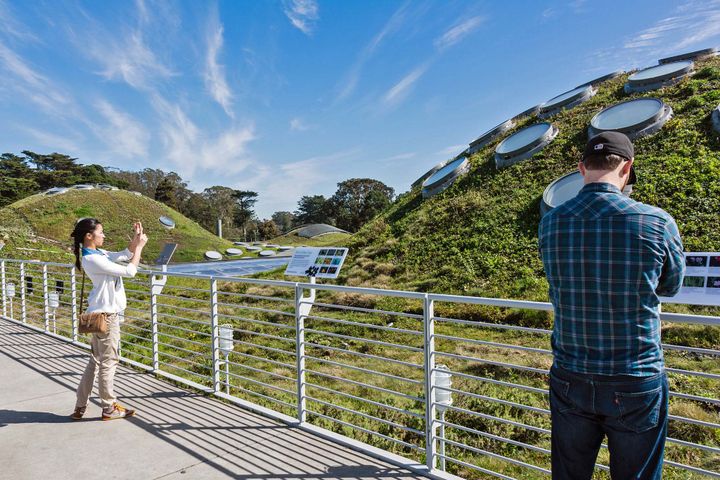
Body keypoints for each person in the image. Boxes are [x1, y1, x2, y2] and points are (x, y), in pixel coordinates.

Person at [538, 131, 685, 479]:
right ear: (627, 168)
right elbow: (671, 285)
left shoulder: (551, 223)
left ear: (581, 168)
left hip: (570, 374)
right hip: (635, 376)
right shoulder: (656, 222)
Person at [69, 218, 148, 421]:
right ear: (89, 236)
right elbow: (130, 270)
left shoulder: (97, 254)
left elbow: (124, 254)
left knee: (95, 362)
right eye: (101, 232)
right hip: (106, 317)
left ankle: (80, 406)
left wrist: (136, 238)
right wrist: (140, 248)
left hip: (97, 315)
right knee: (109, 362)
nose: (104, 236)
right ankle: (108, 407)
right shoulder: (93, 259)